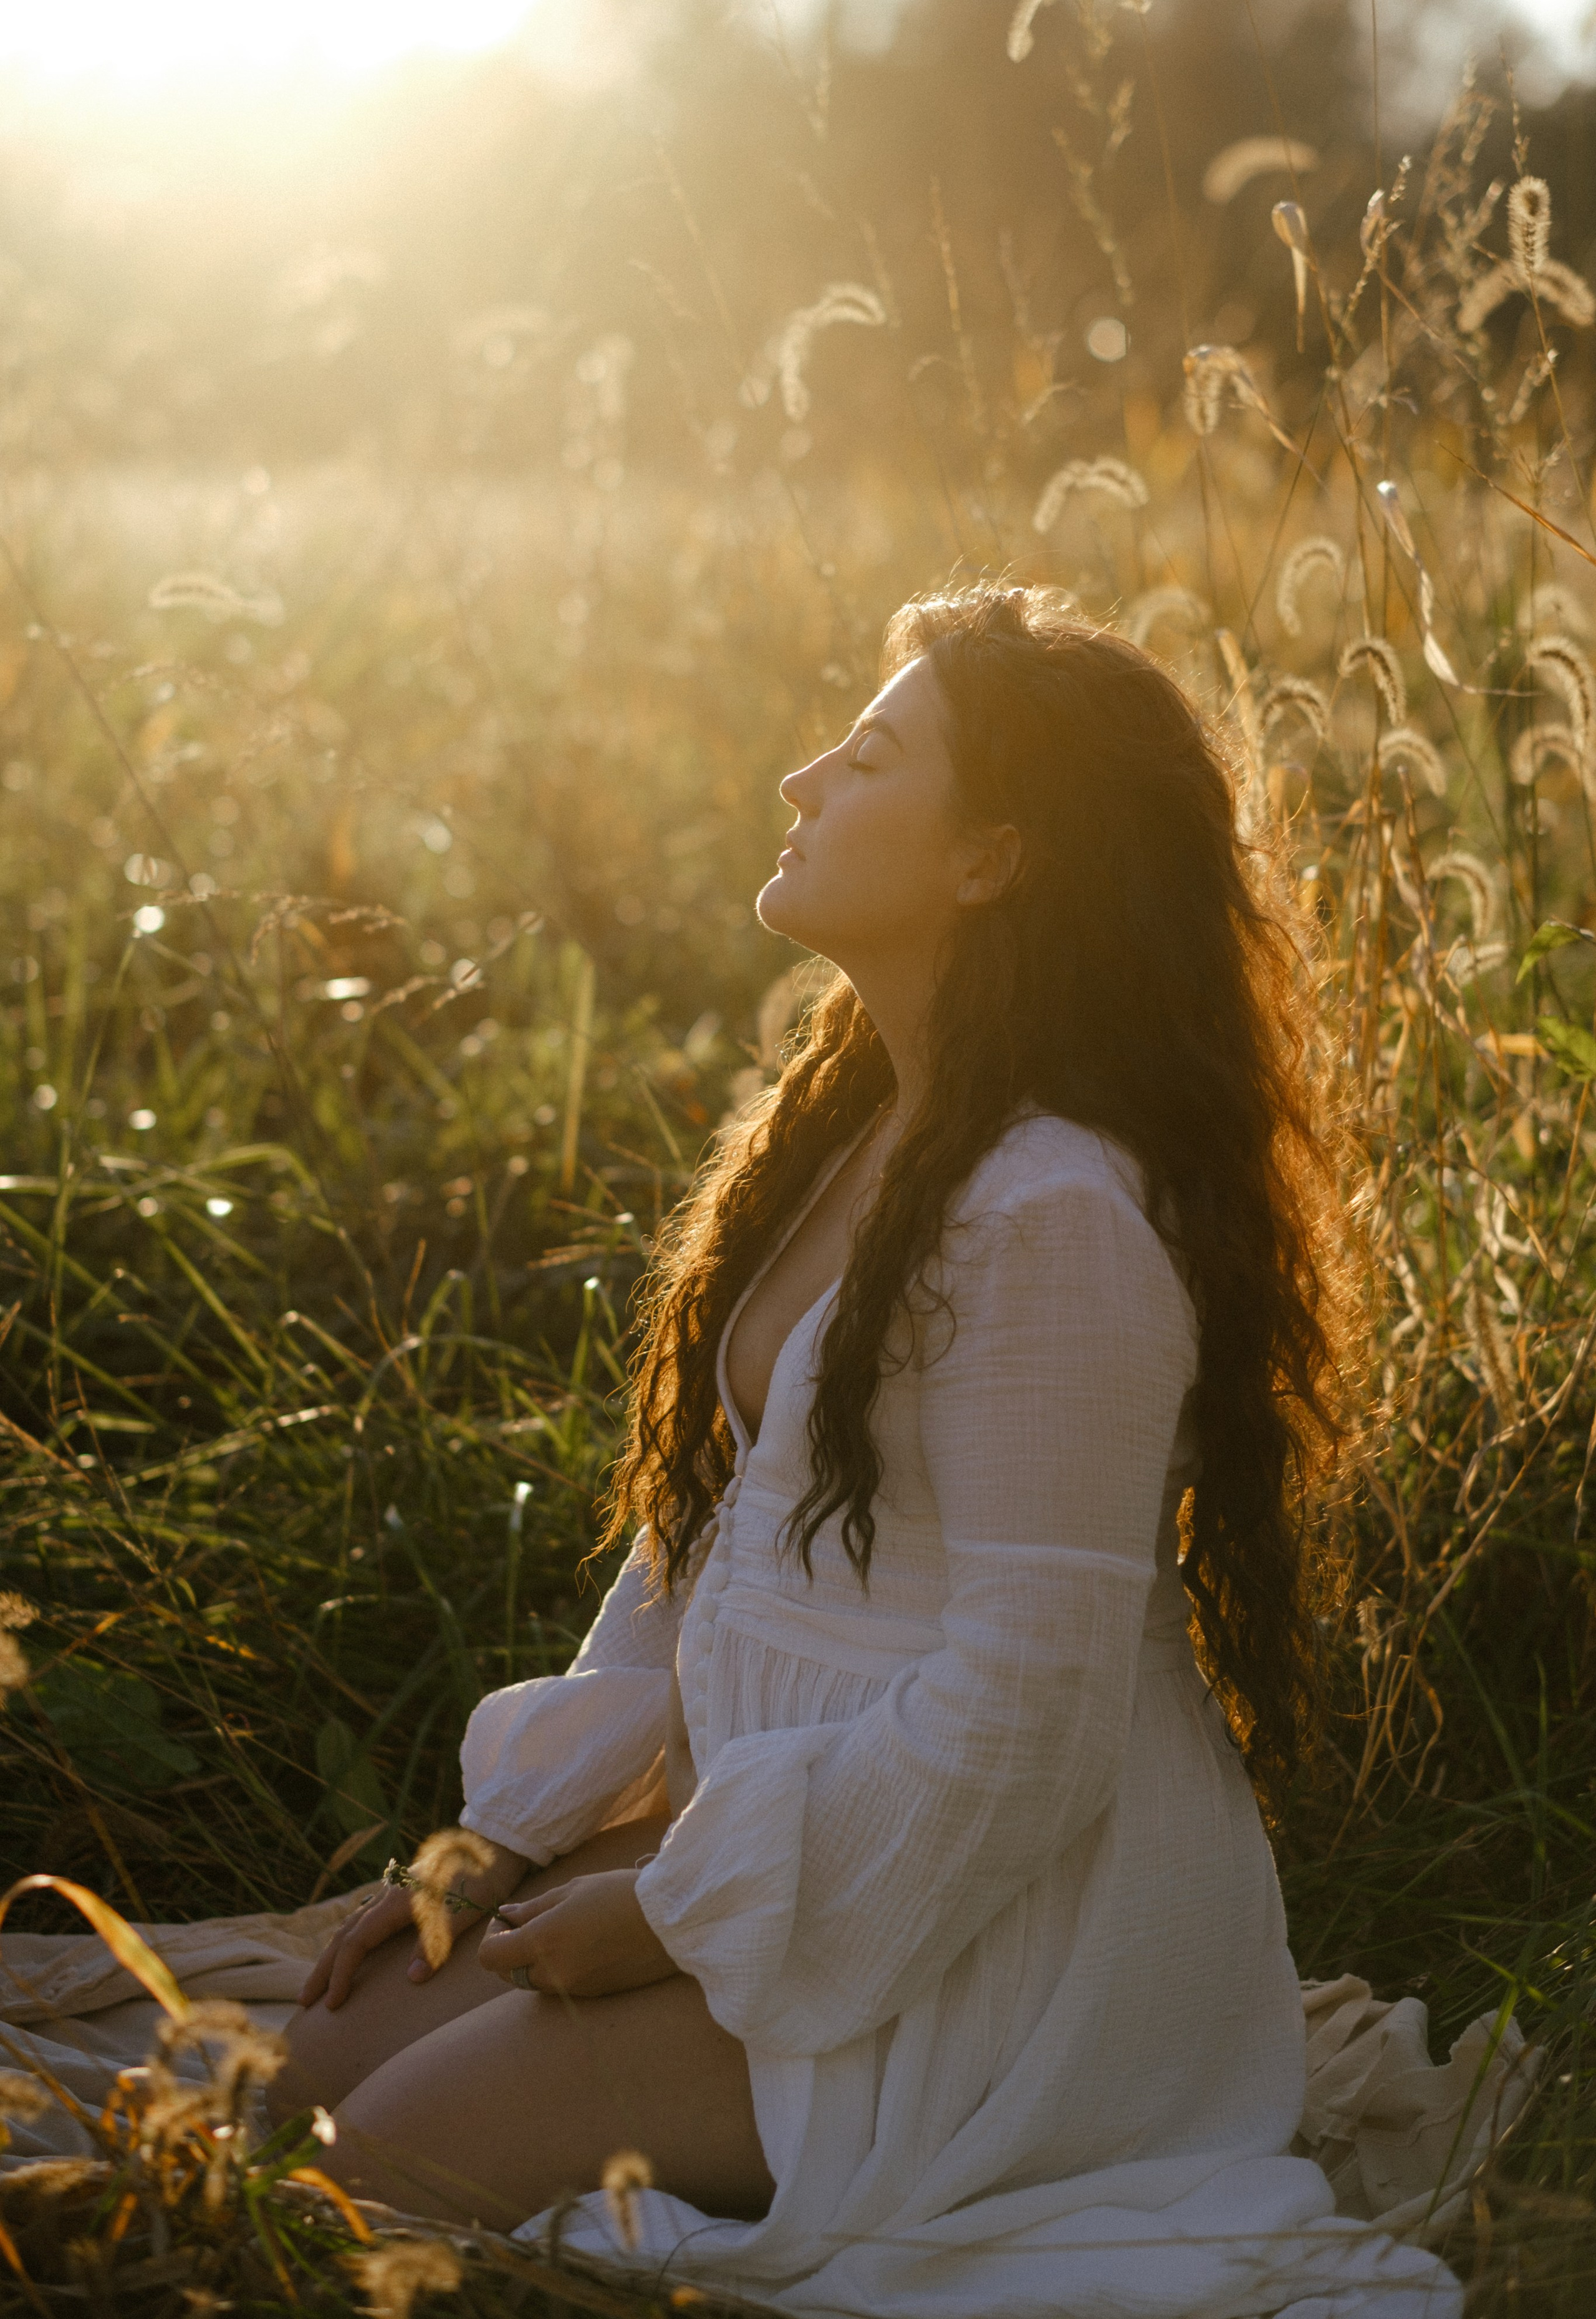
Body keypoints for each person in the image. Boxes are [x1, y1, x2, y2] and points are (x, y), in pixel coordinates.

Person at [273, 583, 1466, 2318]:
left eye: (871, 754)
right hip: (816, 1840)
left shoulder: (1054, 1212)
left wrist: (677, 1916)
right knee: (307, 2080)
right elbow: (710, 1546)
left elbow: (1031, 1722)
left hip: (1000, 1930)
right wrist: (516, 1837)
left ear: (990, 859)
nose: (799, 780)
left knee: (362, 2174)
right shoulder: (866, 1130)